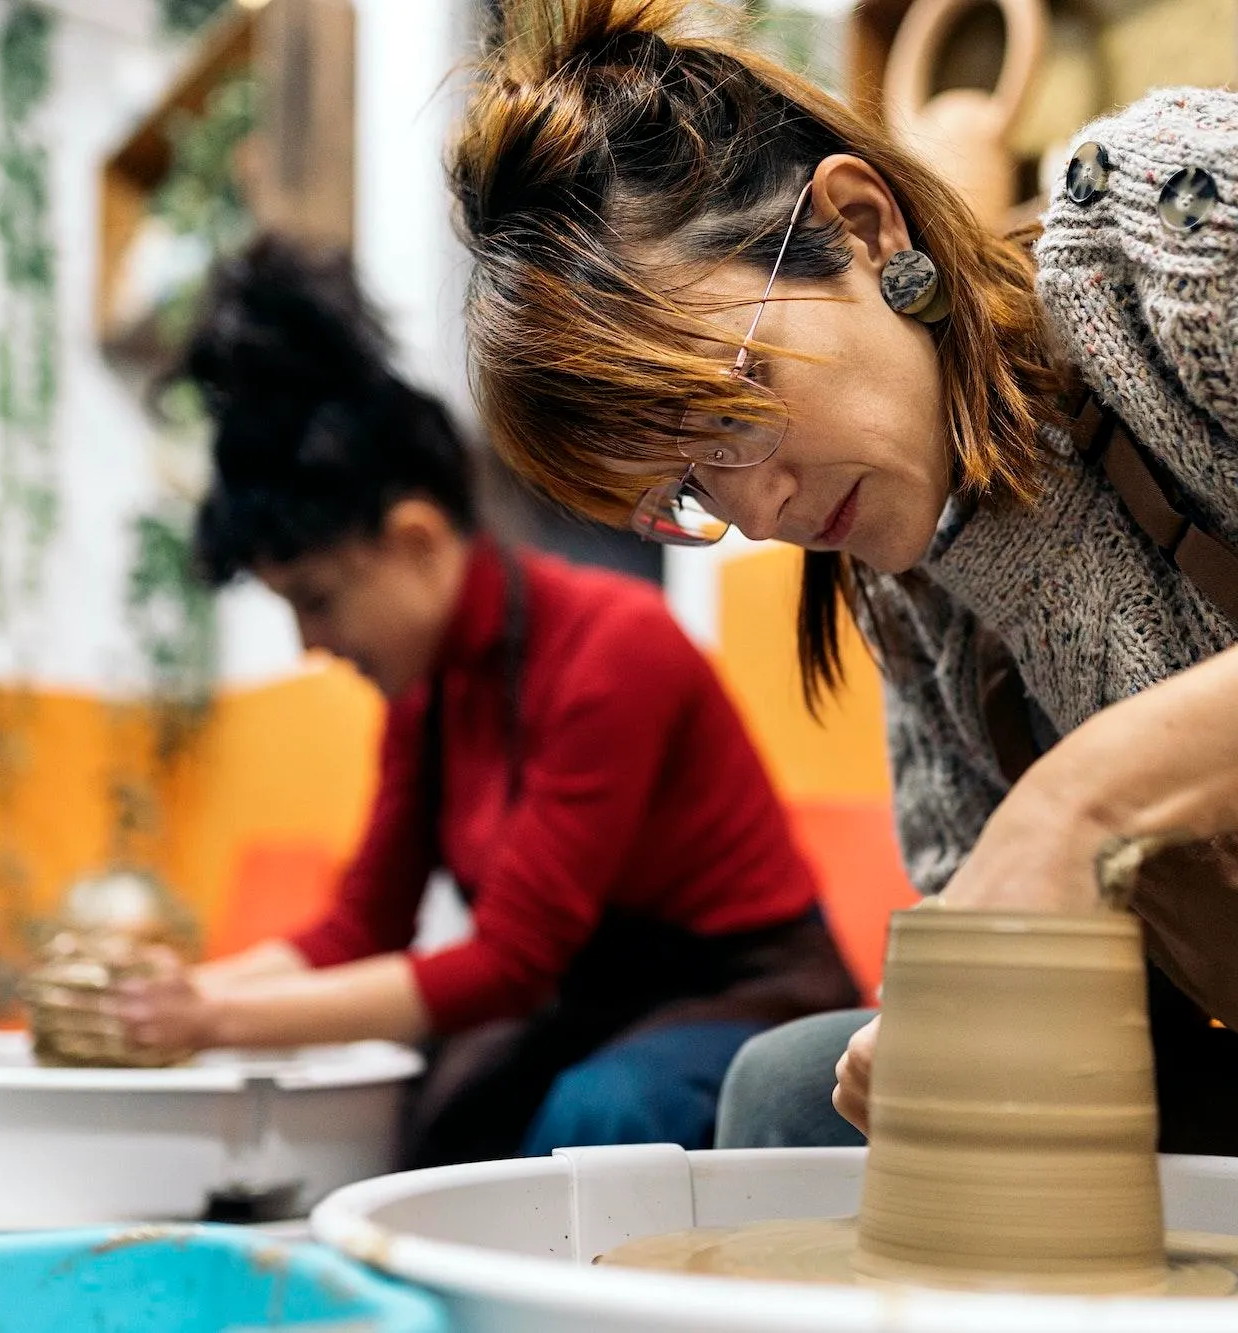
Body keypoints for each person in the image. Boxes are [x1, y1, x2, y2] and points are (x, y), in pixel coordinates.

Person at [444, 0, 1238, 1215]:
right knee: (793, 1094)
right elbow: (1048, 956)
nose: (756, 506)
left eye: (727, 409)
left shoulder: (1161, 234)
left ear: (862, 223)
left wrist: (1088, 794)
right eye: (682, 490)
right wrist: (962, 1000)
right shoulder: (905, 595)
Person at [109, 237, 859, 1166]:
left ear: (417, 539)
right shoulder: (428, 691)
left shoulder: (613, 646)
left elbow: (509, 963)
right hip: (593, 1001)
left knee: (598, 1120)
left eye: (317, 598)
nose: (312, 643)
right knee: (435, 1121)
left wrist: (209, 1017)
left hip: (748, 993)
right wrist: (173, 1000)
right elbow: (360, 927)